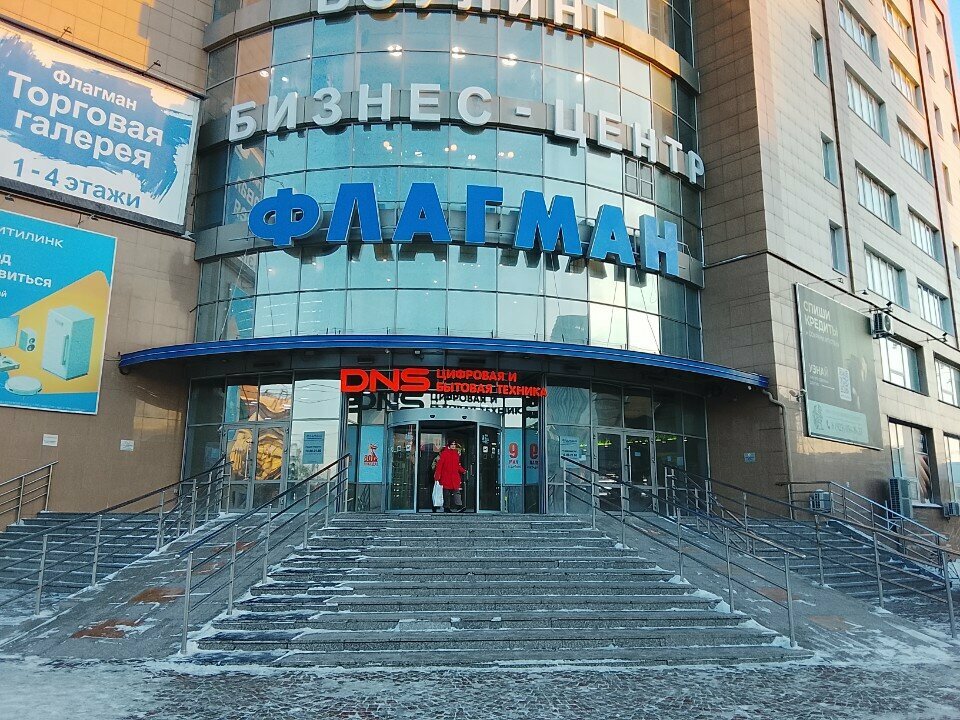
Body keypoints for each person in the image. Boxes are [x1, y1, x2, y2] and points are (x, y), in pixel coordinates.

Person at [434, 440, 466, 513]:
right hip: (446, 476)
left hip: (454, 476)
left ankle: (459, 506)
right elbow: (440, 465)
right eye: (452, 444)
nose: (453, 446)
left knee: (456, 491)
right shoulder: (445, 454)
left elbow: (457, 465)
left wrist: (463, 470)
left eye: (454, 444)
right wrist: (437, 475)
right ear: (449, 445)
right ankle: (447, 507)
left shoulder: (455, 454)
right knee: (447, 493)